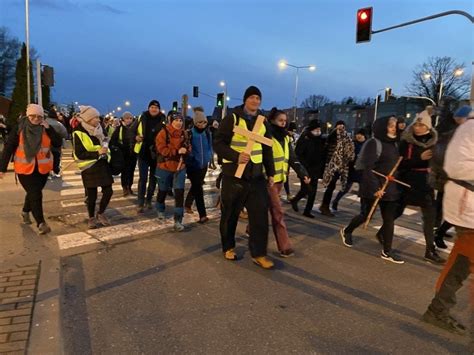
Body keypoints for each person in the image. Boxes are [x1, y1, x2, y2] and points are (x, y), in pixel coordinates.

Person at [422, 110, 473, 340]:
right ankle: (438, 309)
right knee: (463, 260)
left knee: (462, 262)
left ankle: (438, 309)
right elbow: (456, 167)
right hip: (468, 207)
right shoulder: (469, 129)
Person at [213, 85, 275, 269]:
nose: (255, 101)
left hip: (256, 177)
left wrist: (270, 172)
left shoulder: (263, 122)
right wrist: (235, 156)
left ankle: (259, 253)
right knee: (230, 213)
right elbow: (218, 143)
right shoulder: (231, 118)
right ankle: (228, 247)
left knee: (260, 216)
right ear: (245, 99)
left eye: (258, 98)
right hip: (235, 175)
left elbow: (267, 148)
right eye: (252, 97)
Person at [339, 116, 404, 264]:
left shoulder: (395, 144)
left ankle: (387, 251)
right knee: (365, 215)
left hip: (390, 188)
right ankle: (347, 230)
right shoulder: (374, 143)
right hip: (373, 186)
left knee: (389, 220)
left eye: (395, 125)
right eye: (390, 125)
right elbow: (368, 169)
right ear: (382, 127)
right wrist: (376, 188)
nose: (394, 127)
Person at [0, 104, 61, 234]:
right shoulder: (19, 128)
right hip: (24, 168)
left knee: (33, 192)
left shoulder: (46, 128)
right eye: (33, 116)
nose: (36, 119)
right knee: (36, 193)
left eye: (39, 116)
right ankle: (41, 222)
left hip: (42, 169)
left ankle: (25, 211)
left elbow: (58, 143)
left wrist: (49, 129)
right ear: (28, 115)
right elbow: (8, 148)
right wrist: (2, 168)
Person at [397, 110, 445, 264]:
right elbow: (400, 165)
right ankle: (384, 232)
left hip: (427, 184)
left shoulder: (434, 142)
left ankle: (430, 251)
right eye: (416, 124)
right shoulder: (406, 142)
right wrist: (419, 158)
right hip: (408, 183)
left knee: (429, 218)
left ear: (428, 128)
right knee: (396, 212)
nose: (417, 127)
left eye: (421, 125)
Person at [267, 108, 309, 256]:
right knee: (277, 212)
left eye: (285, 121)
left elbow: (292, 158)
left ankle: (251, 229)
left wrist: (302, 173)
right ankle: (284, 246)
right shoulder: (267, 136)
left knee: (267, 208)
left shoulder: (285, 138)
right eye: (280, 120)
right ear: (272, 120)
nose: (283, 123)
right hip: (268, 180)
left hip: (279, 181)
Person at [431, 106, 472, 248]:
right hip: (449, 178)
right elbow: (442, 157)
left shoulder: (460, 130)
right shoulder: (451, 132)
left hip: (456, 181)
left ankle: (439, 231)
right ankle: (438, 232)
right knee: (447, 209)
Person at [73, 106, 114, 229]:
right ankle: (91, 217)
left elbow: (105, 140)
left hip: (102, 164)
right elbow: (79, 153)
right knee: (92, 195)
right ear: (88, 119)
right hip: (89, 166)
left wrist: (106, 148)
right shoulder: (78, 132)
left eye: (98, 117)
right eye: (95, 117)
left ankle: (100, 212)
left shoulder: (101, 129)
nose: (98, 120)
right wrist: (97, 153)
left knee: (108, 191)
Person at [155, 111, 191, 231]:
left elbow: (189, 148)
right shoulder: (163, 133)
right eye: (176, 120)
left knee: (179, 194)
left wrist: (187, 150)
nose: (179, 123)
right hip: (164, 167)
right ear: (171, 121)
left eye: (181, 120)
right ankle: (160, 209)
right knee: (163, 191)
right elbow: (161, 149)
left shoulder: (185, 134)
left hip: (179, 167)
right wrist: (176, 151)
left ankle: (178, 220)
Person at [133, 100, 166, 213]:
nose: (154, 109)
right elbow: (131, 131)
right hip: (143, 152)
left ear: (159, 109)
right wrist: (135, 137)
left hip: (156, 153)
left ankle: (149, 200)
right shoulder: (141, 118)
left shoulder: (163, 120)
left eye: (156, 108)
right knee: (143, 178)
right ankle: (140, 202)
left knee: (153, 179)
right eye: (152, 107)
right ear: (148, 108)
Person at [290, 119, 326, 218]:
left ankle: (307, 210)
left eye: (319, 129)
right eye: (316, 129)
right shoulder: (304, 139)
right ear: (311, 129)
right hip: (305, 169)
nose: (318, 131)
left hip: (316, 170)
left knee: (312, 191)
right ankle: (295, 200)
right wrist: (303, 170)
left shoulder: (320, 139)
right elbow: (298, 155)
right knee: (306, 189)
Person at [320, 120, 355, 216]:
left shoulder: (345, 139)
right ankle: (324, 206)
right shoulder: (332, 137)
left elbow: (348, 151)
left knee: (332, 186)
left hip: (339, 166)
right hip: (331, 166)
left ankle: (324, 206)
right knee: (330, 186)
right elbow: (328, 140)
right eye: (339, 126)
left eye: (343, 127)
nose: (341, 129)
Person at [184, 107, 212, 223]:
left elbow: (210, 146)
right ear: (195, 122)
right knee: (198, 188)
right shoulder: (190, 133)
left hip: (203, 164)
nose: (202, 124)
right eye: (200, 122)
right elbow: (187, 149)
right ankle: (202, 214)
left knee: (196, 186)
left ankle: (188, 204)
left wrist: (209, 157)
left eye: (204, 122)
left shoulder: (207, 133)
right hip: (193, 165)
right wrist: (191, 159)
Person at [331, 129, 366, 211]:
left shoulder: (367, 145)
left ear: (364, 136)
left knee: (363, 191)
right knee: (345, 188)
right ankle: (335, 201)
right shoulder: (352, 144)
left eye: (361, 134)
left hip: (362, 171)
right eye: (358, 134)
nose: (359, 136)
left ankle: (363, 209)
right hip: (351, 170)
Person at [111, 111, 137, 196]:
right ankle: (124, 187)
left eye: (130, 118)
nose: (129, 120)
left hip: (133, 154)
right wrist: (120, 146)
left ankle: (129, 186)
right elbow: (113, 141)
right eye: (127, 118)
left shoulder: (135, 129)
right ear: (123, 119)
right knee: (125, 171)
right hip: (123, 154)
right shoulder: (119, 129)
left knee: (131, 171)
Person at [46, 109, 68, 178]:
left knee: (46, 159)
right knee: (56, 158)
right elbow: (65, 134)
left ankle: (47, 172)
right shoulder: (59, 124)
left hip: (45, 145)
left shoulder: (43, 123)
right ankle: (55, 171)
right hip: (56, 144)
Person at [283, 121, 299, 201]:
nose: (293, 133)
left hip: (289, 161)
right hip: (282, 161)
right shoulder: (285, 137)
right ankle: (287, 194)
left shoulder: (292, 138)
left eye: (294, 131)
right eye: (292, 131)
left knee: (286, 178)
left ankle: (288, 193)